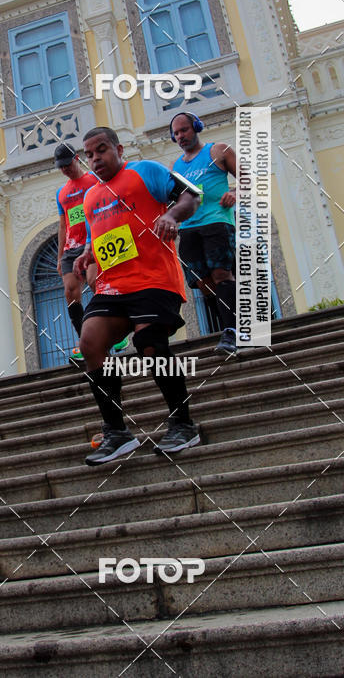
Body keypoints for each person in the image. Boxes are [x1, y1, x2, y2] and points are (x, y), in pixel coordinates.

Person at [74, 127, 201, 464]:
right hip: (113, 285)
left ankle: (183, 423)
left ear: (118, 148)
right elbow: (97, 233)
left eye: (101, 150)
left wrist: (172, 215)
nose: (95, 158)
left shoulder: (145, 171)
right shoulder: (90, 197)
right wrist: (87, 253)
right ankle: (116, 432)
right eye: (89, 154)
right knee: (90, 342)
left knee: (149, 344)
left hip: (154, 279)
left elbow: (190, 195)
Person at [170, 112, 237, 355]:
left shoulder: (218, 151)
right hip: (189, 229)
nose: (180, 136)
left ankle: (230, 333)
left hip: (217, 222)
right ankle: (235, 318)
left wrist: (236, 193)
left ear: (196, 127)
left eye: (184, 130)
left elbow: (250, 178)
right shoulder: (176, 166)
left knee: (221, 274)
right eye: (176, 133)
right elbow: (173, 199)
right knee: (202, 283)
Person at [54, 143, 98, 360]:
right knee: (71, 293)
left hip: (94, 241)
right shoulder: (62, 193)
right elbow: (63, 225)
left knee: (94, 281)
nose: (65, 170)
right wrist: (60, 254)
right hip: (72, 247)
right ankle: (85, 342)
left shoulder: (93, 179)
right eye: (60, 167)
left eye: (67, 164)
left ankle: (114, 332)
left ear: (77, 158)